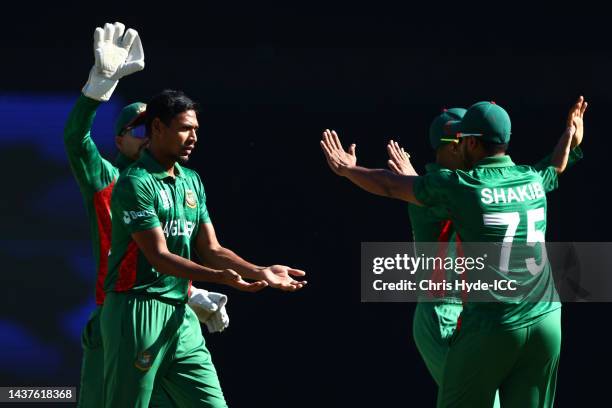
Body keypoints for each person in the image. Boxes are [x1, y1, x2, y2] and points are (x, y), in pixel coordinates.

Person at [321, 97, 586, 407]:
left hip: (490, 320)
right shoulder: (524, 178)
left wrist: (351, 170)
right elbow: (552, 167)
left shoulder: (457, 185)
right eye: (455, 139)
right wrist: (569, 139)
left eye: (464, 138)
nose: (460, 145)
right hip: (520, 314)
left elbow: (393, 186)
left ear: (471, 143)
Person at [100, 88, 307, 407]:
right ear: (157, 128)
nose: (193, 136)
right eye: (185, 128)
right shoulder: (134, 183)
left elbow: (211, 248)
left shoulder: (191, 181)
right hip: (136, 311)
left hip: (181, 316)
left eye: (196, 129)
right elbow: (160, 258)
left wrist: (259, 271)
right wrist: (220, 277)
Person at [65, 22, 230, 408]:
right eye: (137, 130)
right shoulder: (107, 178)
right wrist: (98, 87)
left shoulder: (179, 182)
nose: (147, 136)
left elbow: (175, 249)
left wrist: (191, 295)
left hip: (168, 319)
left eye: (150, 128)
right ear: (119, 139)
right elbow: (75, 139)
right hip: (118, 321)